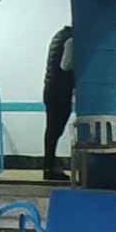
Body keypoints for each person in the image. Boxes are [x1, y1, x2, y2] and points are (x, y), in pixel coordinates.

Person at [41, 25, 76, 180]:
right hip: (60, 90)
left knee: (52, 130)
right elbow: (66, 65)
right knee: (55, 130)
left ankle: (49, 166)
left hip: (51, 88)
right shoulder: (71, 39)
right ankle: (49, 168)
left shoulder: (59, 35)